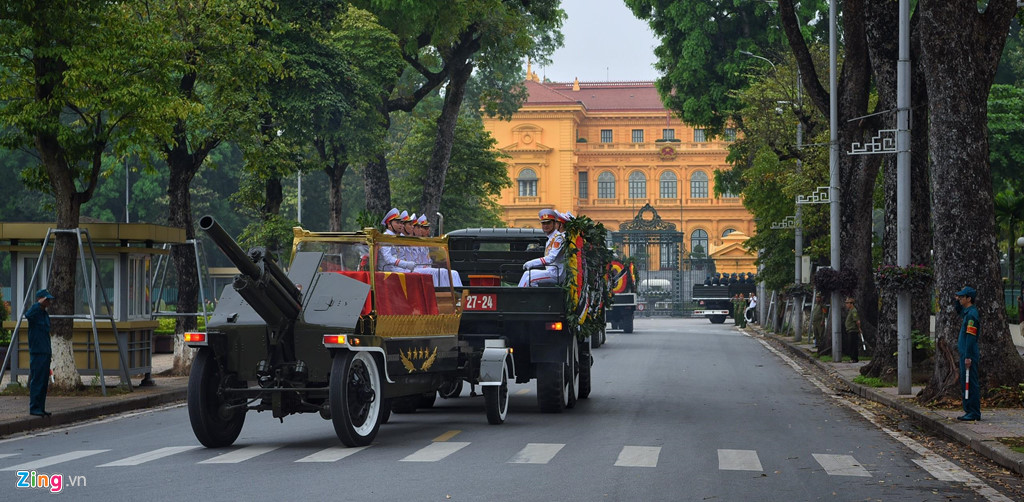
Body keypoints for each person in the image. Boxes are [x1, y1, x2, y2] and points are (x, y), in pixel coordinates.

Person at [518, 209, 565, 287]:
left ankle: (531, 298)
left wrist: (532, 263)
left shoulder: (558, 238)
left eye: (548, 223)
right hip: (551, 271)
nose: (545, 226)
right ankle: (517, 296)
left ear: (554, 224)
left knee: (530, 279)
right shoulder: (551, 238)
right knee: (527, 273)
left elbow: (550, 258)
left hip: (556, 273)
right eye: (543, 223)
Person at [27, 289, 54, 417]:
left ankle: (41, 407)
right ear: (41, 299)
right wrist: (38, 304)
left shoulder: (45, 314)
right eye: (47, 299)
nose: (49, 301)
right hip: (37, 352)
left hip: (45, 351)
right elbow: (28, 315)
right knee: (37, 380)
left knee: (43, 382)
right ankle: (34, 407)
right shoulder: (35, 312)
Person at [955, 286, 981, 421]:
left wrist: (968, 356)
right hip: (965, 353)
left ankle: (974, 412)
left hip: (968, 354)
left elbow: (971, 338)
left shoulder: (971, 315)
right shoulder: (967, 312)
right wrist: (956, 300)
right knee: (966, 381)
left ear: (969, 298)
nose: (959, 299)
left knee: (970, 382)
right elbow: (959, 311)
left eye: (962, 297)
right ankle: (968, 410)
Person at [843, 296, 861, 362]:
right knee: (851, 345)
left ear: (851, 304)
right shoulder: (850, 311)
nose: (846, 305)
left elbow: (857, 321)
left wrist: (859, 328)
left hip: (853, 330)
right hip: (850, 330)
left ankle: (854, 358)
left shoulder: (854, 311)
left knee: (853, 345)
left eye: (847, 303)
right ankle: (852, 358)